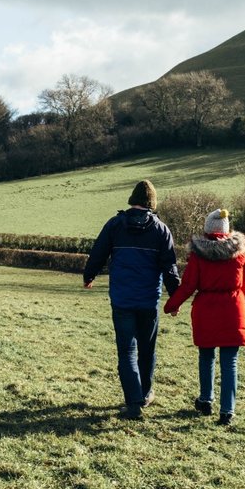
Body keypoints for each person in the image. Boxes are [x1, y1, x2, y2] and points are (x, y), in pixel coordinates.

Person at [84, 180, 180, 420]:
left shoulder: (115, 225)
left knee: (126, 351)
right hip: (149, 301)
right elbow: (169, 267)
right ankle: (146, 393)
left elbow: (98, 253)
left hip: (122, 299)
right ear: (152, 203)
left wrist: (89, 275)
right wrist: (175, 298)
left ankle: (133, 403)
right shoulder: (161, 230)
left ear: (132, 200)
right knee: (147, 349)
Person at [163, 209, 245, 426]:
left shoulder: (199, 254)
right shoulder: (240, 253)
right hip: (233, 310)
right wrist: (235, 299)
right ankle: (227, 411)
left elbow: (189, 285)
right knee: (230, 362)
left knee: (206, 357)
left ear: (207, 229)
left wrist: (171, 305)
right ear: (226, 229)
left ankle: (205, 400)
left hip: (206, 310)